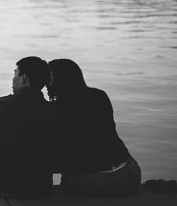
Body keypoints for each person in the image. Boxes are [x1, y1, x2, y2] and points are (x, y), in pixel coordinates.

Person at [47, 58, 141, 196]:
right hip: (129, 173)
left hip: (87, 181)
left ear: (60, 80)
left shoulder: (56, 109)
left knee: (69, 179)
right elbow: (108, 137)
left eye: (49, 79)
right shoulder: (99, 96)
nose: (47, 85)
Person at [0, 56, 57, 198]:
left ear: (24, 78)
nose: (13, 79)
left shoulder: (1, 106)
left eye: (15, 73)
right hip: (40, 187)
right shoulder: (52, 110)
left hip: (2, 185)